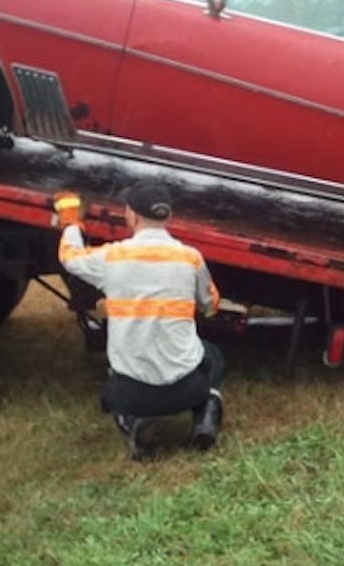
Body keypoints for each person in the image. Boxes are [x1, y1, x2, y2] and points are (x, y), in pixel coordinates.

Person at [54, 181, 226, 461]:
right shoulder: (191, 258)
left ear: (132, 216)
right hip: (187, 390)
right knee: (213, 355)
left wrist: (72, 221)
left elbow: (70, 257)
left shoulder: (111, 257)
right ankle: (206, 416)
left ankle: (136, 424)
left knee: (113, 374)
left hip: (133, 394)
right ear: (168, 217)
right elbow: (210, 305)